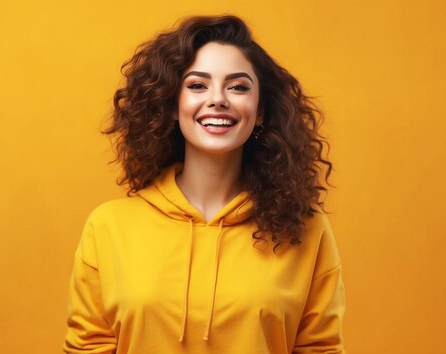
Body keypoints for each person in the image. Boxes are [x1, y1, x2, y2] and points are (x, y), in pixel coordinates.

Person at [63, 15, 345, 354]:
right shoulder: (108, 226)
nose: (218, 99)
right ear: (171, 104)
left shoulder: (305, 230)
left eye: (238, 87)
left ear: (261, 112)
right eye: (197, 85)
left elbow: (319, 348)